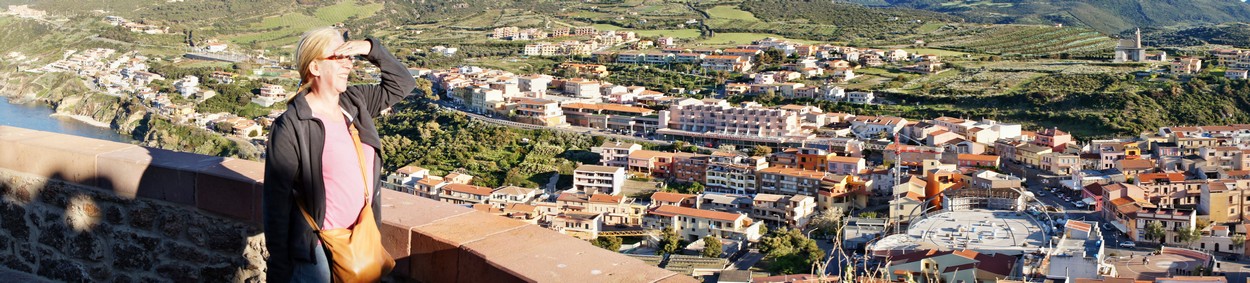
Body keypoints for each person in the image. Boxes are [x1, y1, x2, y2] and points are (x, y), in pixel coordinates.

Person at [263, 27, 416, 282]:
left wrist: (369, 48)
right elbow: (275, 205)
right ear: (315, 67)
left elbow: (403, 83)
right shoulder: (292, 125)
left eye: (350, 57)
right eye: (339, 57)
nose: (349, 64)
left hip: (361, 242)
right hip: (317, 254)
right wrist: (279, 269)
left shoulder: (355, 103)